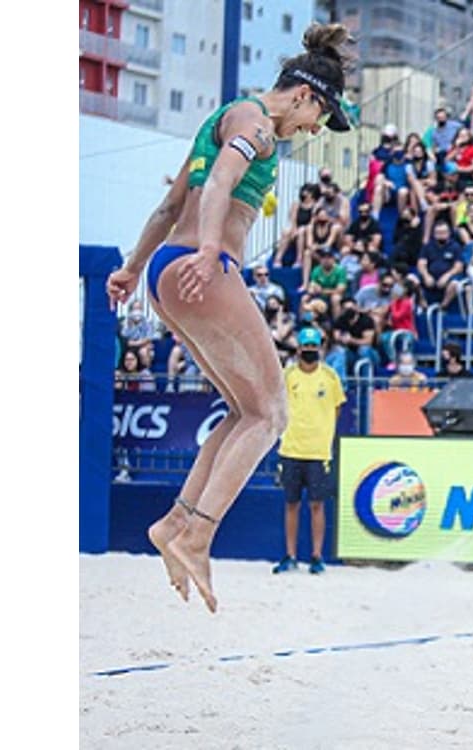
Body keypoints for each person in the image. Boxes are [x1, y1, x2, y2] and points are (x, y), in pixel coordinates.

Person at [104, 23, 355, 612]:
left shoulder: (225, 117)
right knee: (272, 414)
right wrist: (211, 249)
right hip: (203, 270)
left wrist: (134, 267)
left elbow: (172, 204)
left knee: (244, 412)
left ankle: (177, 523)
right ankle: (198, 535)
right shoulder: (258, 126)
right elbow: (219, 184)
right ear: (304, 95)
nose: (314, 130)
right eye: (319, 117)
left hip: (172, 271)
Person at [271, 327, 345, 575]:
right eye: (307, 347)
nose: (311, 351)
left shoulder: (330, 377)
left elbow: (337, 408)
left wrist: (323, 435)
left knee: (317, 505)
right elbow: (277, 406)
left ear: (320, 348)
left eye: (315, 347)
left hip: (318, 452)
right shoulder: (288, 375)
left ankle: (316, 556)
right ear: (299, 348)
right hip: (291, 447)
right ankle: (290, 555)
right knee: (291, 504)